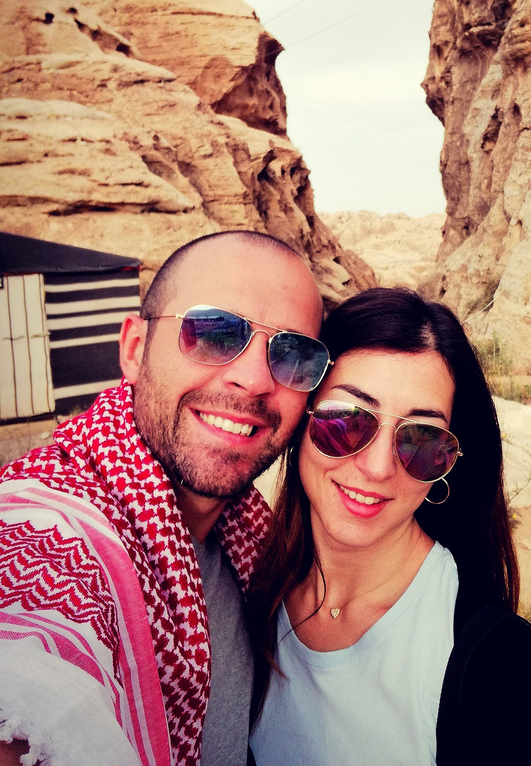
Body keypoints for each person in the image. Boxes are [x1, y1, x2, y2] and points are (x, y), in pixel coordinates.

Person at [0, 230, 329, 766]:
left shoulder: (255, 547)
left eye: (292, 354)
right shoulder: (51, 536)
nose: (252, 380)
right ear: (134, 349)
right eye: (215, 332)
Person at [247, 287, 531, 766]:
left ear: (447, 463)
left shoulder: (511, 679)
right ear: (300, 419)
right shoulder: (244, 594)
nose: (375, 467)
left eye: (421, 439)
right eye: (346, 419)